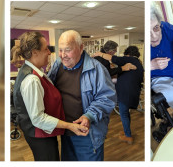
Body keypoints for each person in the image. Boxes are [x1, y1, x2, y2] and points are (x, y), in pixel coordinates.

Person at [12, 31, 88, 161]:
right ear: (35, 52)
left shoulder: (34, 71)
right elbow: (38, 119)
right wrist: (70, 125)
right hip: (39, 136)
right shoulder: (32, 79)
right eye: (46, 49)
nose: (49, 52)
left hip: (43, 133)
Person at [46, 30, 115, 161]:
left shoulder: (97, 69)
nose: (63, 55)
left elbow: (107, 98)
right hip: (65, 131)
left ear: (81, 48)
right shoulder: (58, 65)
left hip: (87, 134)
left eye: (68, 50)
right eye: (60, 50)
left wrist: (89, 116)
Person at [95, 45, 143, 144]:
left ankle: (128, 136)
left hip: (125, 93)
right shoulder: (139, 63)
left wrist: (99, 54)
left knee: (124, 114)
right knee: (126, 113)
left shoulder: (130, 59)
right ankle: (127, 132)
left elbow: (113, 58)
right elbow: (127, 77)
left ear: (128, 54)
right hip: (133, 93)